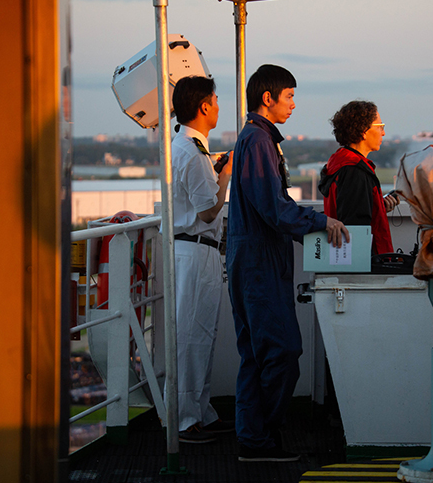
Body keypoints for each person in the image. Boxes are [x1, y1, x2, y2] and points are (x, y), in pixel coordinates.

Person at [226, 64, 349, 462]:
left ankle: (253, 438)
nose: (294, 104)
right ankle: (259, 437)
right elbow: (274, 208)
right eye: (290, 96)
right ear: (269, 98)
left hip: (256, 259)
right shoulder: (258, 142)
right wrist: (319, 221)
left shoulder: (256, 140)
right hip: (259, 263)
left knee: (257, 354)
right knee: (282, 350)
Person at [170, 75, 234, 444]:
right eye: (215, 100)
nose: (218, 106)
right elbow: (209, 211)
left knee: (201, 336)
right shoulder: (192, 154)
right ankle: (185, 420)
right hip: (195, 250)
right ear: (204, 106)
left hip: (198, 251)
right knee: (193, 336)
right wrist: (223, 177)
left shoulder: (189, 148)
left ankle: (200, 411)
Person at [318, 100, 398, 255]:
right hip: (363, 264)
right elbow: (356, 229)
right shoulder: (354, 171)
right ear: (364, 131)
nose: (383, 133)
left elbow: (349, 209)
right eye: (380, 126)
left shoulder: (339, 163)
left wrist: (377, 206)